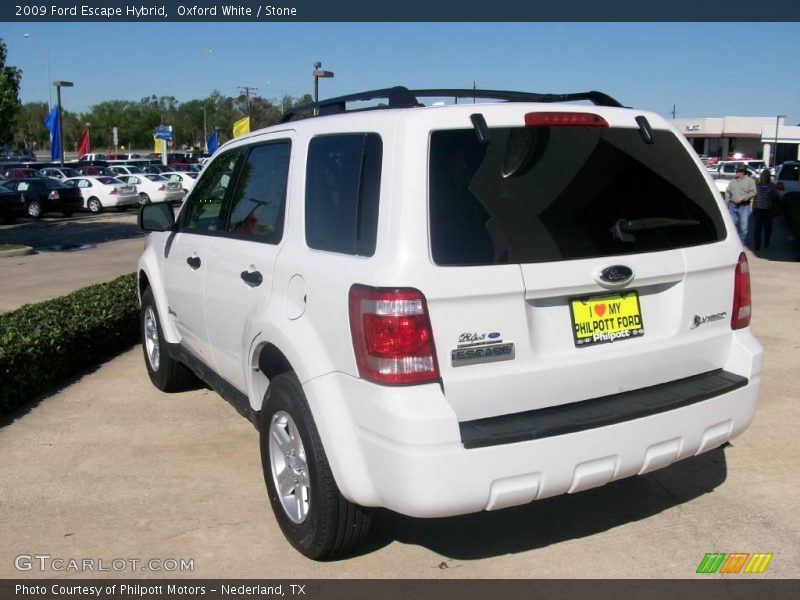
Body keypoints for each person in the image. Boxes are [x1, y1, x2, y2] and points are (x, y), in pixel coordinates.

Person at [725, 165, 756, 243]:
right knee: (731, 225)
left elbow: (753, 192)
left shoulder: (750, 181)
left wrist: (743, 198)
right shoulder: (732, 181)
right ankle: (733, 242)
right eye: (736, 171)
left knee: (743, 227)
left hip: (744, 206)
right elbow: (727, 192)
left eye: (738, 171)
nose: (736, 172)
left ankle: (741, 243)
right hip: (732, 206)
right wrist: (726, 204)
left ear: (742, 172)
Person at [751, 170, 780, 250]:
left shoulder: (772, 186)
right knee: (757, 228)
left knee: (768, 228)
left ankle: (766, 241)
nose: (764, 177)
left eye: (765, 175)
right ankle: (757, 244)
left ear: (768, 177)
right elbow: (753, 196)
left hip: (768, 210)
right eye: (763, 175)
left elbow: (776, 196)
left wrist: (773, 197)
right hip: (758, 209)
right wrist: (752, 206)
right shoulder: (757, 185)